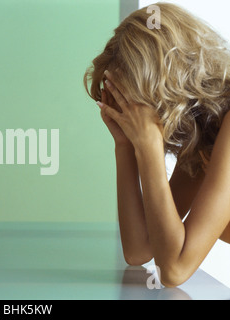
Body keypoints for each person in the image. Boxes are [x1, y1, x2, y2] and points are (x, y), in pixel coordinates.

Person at [84, 2, 230, 287]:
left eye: (134, 101)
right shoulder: (206, 139)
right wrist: (125, 146)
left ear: (168, 86)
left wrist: (149, 148)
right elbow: (139, 249)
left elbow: (174, 270)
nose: (132, 115)